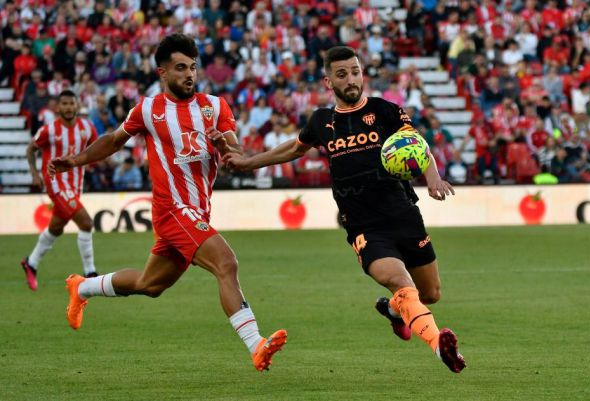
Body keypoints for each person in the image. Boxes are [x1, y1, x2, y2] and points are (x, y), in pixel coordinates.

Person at [49, 34, 286, 372]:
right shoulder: (148, 109)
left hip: (196, 212)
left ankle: (82, 286)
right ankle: (256, 345)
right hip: (171, 209)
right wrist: (75, 160)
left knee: (150, 285)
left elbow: (236, 151)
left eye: (192, 67)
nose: (189, 74)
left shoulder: (215, 106)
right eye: (180, 68)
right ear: (162, 72)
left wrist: (224, 147)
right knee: (226, 263)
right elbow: (113, 142)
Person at [224, 46, 465, 373]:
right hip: (364, 226)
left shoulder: (385, 111)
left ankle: (394, 312)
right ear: (328, 81)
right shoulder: (323, 121)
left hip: (404, 214)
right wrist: (249, 162)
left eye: (355, 72)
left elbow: (415, 144)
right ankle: (441, 347)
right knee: (399, 280)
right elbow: (294, 148)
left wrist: (433, 176)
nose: (350, 79)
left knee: (430, 293)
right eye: (342, 74)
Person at [21, 90, 99, 291]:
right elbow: (31, 149)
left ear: (77, 105)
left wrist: (92, 163)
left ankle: (31, 263)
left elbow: (96, 148)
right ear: (58, 107)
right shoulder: (50, 130)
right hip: (55, 183)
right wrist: (35, 174)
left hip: (75, 185)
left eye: (71, 103)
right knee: (86, 222)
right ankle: (90, 273)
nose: (68, 107)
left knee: (56, 227)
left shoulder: (87, 128)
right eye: (64, 104)